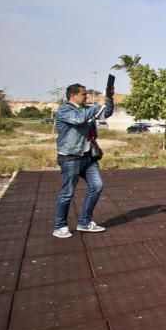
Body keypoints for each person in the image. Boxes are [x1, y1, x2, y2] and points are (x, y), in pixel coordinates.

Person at [52, 83, 113, 237]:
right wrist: (96, 105)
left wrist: (109, 98)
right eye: (84, 94)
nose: (87, 97)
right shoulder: (65, 110)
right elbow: (79, 120)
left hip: (88, 157)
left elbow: (107, 113)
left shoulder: (86, 109)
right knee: (68, 193)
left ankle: (85, 222)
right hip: (70, 157)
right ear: (73, 96)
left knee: (97, 186)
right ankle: (60, 226)